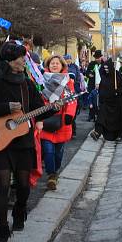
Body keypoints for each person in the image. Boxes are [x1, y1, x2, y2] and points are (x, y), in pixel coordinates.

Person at [0, 42, 58, 242]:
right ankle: (1, 230)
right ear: (8, 61)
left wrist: (54, 109)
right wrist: (5, 107)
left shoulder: (27, 84)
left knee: (23, 185)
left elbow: (38, 109)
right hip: (0, 140)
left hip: (23, 140)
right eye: (20, 58)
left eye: (24, 57)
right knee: (3, 185)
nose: (24, 61)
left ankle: (20, 210)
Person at [38, 55, 77, 190]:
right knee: (48, 151)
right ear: (48, 65)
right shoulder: (41, 81)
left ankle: (56, 169)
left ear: (62, 66)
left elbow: (71, 100)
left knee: (59, 152)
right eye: (52, 63)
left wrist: (68, 115)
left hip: (61, 122)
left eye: (57, 63)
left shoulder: (68, 82)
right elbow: (38, 100)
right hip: (45, 120)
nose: (54, 65)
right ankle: (51, 175)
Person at [90, 58, 122, 142]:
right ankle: (97, 132)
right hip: (106, 102)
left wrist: (118, 92)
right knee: (101, 117)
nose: (106, 70)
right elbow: (102, 89)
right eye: (105, 68)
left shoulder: (117, 75)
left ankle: (119, 136)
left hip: (117, 103)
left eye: (107, 68)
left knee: (118, 119)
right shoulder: (104, 76)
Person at [64, 54, 83, 136]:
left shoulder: (75, 67)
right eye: (66, 59)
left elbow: (78, 78)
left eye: (69, 59)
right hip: (65, 89)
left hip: (74, 89)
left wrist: (76, 85)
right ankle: (68, 129)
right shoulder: (63, 66)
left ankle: (73, 130)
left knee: (73, 109)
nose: (68, 60)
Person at [86, 50, 103, 122]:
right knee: (92, 100)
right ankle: (91, 115)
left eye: (98, 57)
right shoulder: (91, 64)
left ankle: (100, 116)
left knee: (100, 101)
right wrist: (89, 74)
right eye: (96, 58)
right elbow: (87, 73)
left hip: (101, 85)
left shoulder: (104, 64)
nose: (97, 59)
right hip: (92, 84)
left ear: (101, 57)